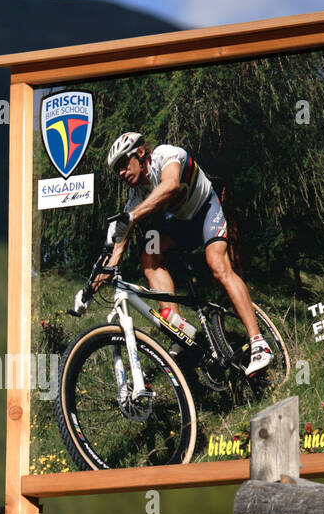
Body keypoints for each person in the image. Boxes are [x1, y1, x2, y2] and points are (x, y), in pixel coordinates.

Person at [102, 131, 271, 375]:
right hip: (182, 226)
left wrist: (134, 216)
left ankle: (259, 344)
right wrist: (102, 274)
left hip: (207, 212)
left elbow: (170, 186)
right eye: (116, 170)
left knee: (218, 266)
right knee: (149, 256)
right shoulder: (136, 194)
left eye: (122, 164)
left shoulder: (167, 155)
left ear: (139, 154)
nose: (120, 173)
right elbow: (119, 242)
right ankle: (177, 326)